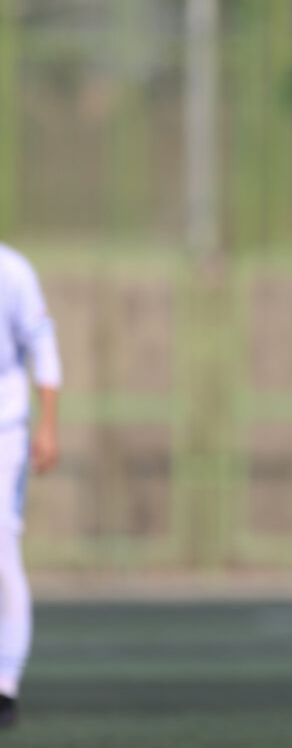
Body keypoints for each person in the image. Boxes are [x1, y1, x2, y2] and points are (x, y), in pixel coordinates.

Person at [0, 243, 61, 728]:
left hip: (5, 433)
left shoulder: (12, 270)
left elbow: (42, 346)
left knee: (1, 553)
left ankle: (4, 683)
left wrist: (47, 424)